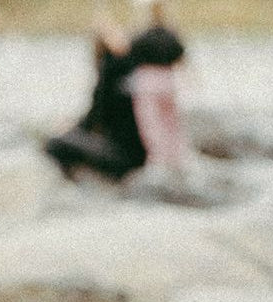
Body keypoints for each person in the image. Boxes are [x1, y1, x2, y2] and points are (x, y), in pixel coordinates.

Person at [45, 0, 186, 183]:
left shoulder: (112, 70)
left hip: (124, 158)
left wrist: (68, 128)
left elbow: (95, 117)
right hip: (140, 155)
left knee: (55, 143)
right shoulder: (135, 66)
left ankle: (76, 181)